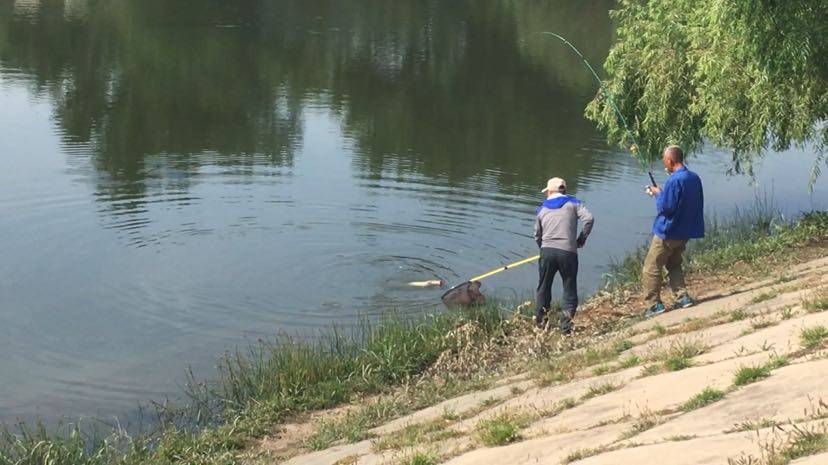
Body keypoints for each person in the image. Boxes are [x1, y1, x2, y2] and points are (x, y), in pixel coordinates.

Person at [642, 145, 705, 318]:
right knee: (674, 263)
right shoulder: (694, 178)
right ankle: (682, 298)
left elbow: (666, 208)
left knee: (651, 267)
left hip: (668, 232)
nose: (665, 165)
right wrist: (662, 193)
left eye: (665, 161)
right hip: (685, 231)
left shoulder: (674, 180)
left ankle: (653, 305)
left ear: (670, 160)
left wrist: (657, 194)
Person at [533, 177, 594, 334]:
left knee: (544, 287)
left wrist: (543, 249)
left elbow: (537, 235)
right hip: (568, 252)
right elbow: (589, 219)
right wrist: (581, 239)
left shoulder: (542, 208)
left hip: (547, 252)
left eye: (547, 192)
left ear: (550, 191)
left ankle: (541, 325)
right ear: (564, 190)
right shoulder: (574, 203)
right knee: (569, 288)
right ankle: (565, 329)